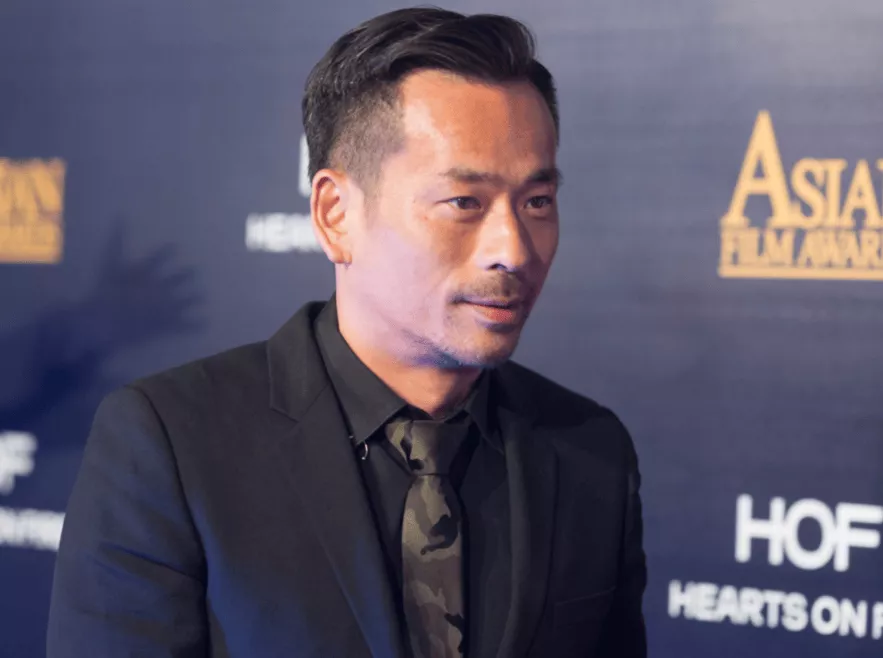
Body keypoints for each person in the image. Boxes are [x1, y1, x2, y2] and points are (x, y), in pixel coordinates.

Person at [47, 7, 646, 658]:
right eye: (463, 203)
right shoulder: (171, 446)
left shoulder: (590, 451)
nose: (513, 250)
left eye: (536, 202)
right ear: (336, 215)